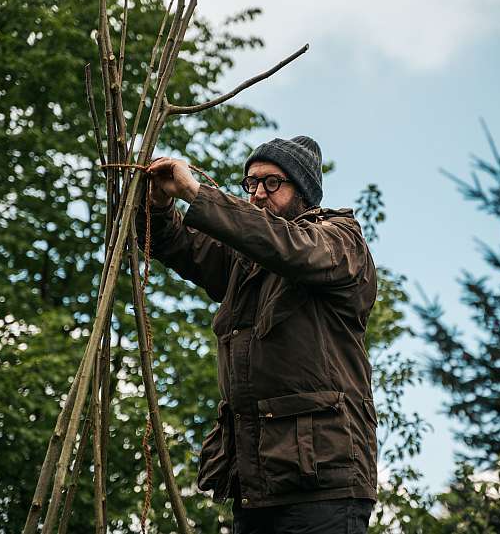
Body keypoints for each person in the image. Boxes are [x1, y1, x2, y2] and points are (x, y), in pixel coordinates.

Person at [136, 136, 378, 533]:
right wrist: (160, 205)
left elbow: (287, 247)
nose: (259, 194)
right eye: (251, 183)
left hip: (325, 488)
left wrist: (197, 193)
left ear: (304, 193)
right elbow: (179, 245)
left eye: (272, 183)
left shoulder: (339, 241)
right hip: (258, 482)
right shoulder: (246, 262)